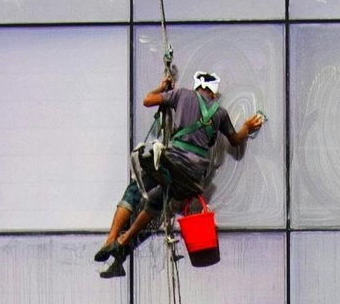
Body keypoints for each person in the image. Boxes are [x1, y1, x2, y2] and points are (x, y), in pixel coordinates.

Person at [94, 70, 264, 278]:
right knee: (156, 201)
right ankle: (123, 241)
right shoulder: (220, 113)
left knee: (135, 189)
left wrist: (162, 87)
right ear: (214, 93)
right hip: (192, 176)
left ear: (197, 86)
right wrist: (246, 127)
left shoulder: (182, 94)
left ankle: (111, 239)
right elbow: (235, 140)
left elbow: (148, 100)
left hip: (173, 163)